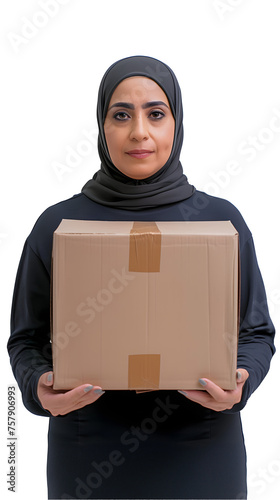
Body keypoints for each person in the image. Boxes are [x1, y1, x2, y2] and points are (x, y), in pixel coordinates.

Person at [8, 55, 275, 500]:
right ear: (101, 125)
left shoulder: (219, 222)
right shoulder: (58, 225)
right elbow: (26, 339)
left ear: (176, 122)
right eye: (121, 115)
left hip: (202, 447)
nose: (139, 132)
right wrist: (38, 386)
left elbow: (256, 331)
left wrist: (242, 379)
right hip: (88, 450)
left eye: (155, 114)